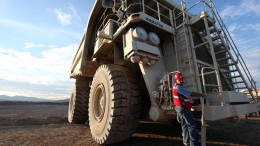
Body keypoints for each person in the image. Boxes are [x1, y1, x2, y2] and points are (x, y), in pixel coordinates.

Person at [172, 72, 205, 146]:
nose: (181, 81)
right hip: (183, 109)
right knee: (192, 125)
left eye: (181, 79)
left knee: (184, 125)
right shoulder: (178, 87)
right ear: (177, 80)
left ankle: (186, 142)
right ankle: (193, 144)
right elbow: (190, 94)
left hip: (179, 108)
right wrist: (201, 95)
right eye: (180, 80)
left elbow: (182, 98)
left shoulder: (175, 86)